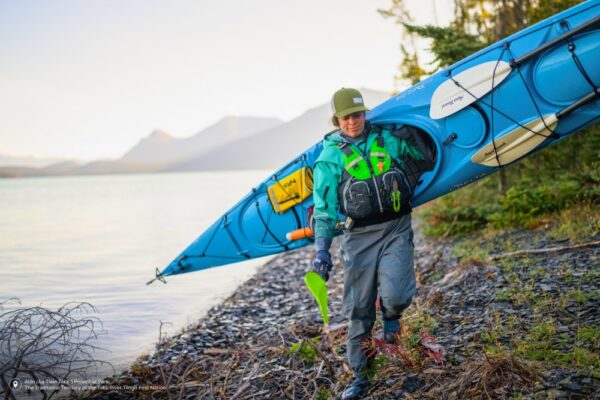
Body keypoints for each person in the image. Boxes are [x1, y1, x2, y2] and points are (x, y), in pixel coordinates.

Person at [311, 88, 435, 399]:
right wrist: (322, 251)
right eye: (346, 117)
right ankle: (360, 376)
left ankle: (391, 316)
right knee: (358, 309)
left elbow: (425, 153)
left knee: (395, 294)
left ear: (364, 114)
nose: (353, 122)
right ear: (336, 119)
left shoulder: (387, 139)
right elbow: (324, 208)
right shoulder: (330, 157)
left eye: (357, 114)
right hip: (358, 239)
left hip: (396, 227)